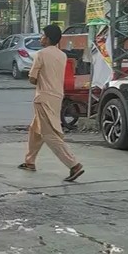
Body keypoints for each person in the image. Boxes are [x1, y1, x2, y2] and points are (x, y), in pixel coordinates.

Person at [18, 24, 84, 182]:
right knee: (35, 130)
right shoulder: (62, 55)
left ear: (47, 39)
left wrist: (38, 77)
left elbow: (32, 78)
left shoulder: (40, 54)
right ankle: (30, 161)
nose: (41, 38)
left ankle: (73, 164)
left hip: (43, 97)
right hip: (57, 97)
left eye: (43, 36)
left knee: (49, 134)